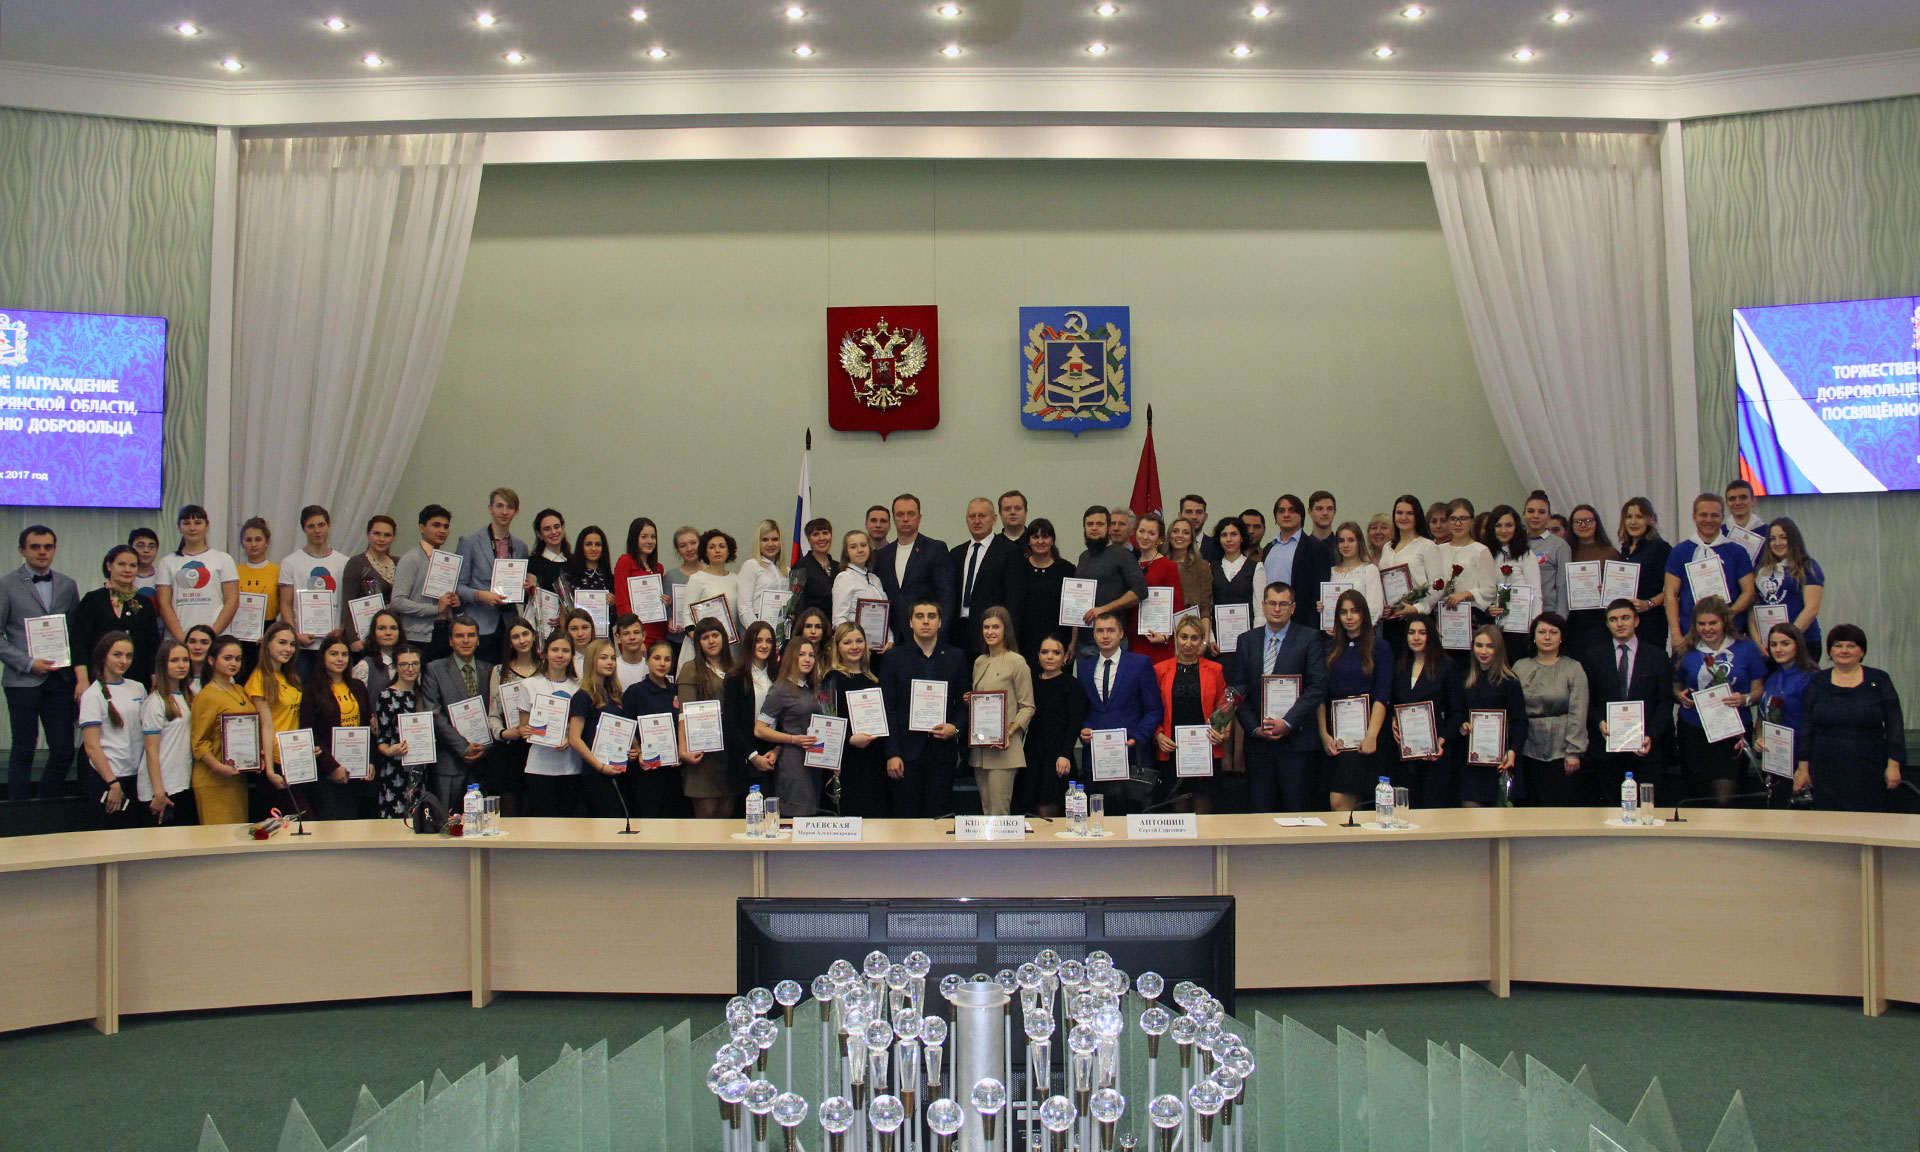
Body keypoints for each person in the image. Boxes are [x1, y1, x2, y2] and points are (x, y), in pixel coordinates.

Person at [1230, 582, 1326, 812]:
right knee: (1260, 813)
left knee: (1296, 811)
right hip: (1259, 746)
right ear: (1263, 606)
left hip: (1296, 743)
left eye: (1283, 604)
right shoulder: (1246, 640)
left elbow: (1317, 687)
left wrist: (1288, 722)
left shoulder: (1309, 638)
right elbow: (1238, 691)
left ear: (1293, 608)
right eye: (1272, 603)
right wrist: (1254, 728)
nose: (1277, 609)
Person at [1797, 625, 1906, 813]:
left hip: (1869, 768)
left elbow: (1895, 725)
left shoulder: (1879, 679)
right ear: (1830, 651)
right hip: (1825, 768)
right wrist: (1802, 769)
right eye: (1838, 645)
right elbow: (1807, 727)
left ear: (1862, 651)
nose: (1844, 651)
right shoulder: (1817, 681)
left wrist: (1894, 765)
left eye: (1851, 646)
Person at [880, 598, 968, 818]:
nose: (926, 621)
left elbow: (965, 703)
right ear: (910, 622)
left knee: (939, 820)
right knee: (906, 822)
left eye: (932, 616)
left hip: (943, 753)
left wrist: (956, 728)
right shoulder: (893, 658)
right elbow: (888, 709)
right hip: (905, 754)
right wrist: (892, 753)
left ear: (940, 622)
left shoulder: (957, 657)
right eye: (919, 616)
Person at [1672, 595, 1765, 805]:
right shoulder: (1685, 649)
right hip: (1694, 731)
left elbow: (1758, 690)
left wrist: (1744, 699)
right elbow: (1675, 688)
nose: (1707, 629)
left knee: (1725, 797)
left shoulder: (1746, 648)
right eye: (1701, 624)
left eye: (1713, 623)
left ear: (1724, 621)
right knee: (1697, 794)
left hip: (1732, 731)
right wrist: (1679, 696)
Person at [1584, 599, 1673, 810]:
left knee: (1646, 810)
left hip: (1645, 749)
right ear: (1607, 624)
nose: (1620, 623)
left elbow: (1665, 701)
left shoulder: (1657, 656)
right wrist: (1599, 723)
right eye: (1613, 619)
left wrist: (1650, 735)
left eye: (1625, 618)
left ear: (1636, 621)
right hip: (1607, 750)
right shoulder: (1594, 657)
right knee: (1610, 811)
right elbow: (1587, 700)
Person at [1077, 611, 1161, 814]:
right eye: (1100, 631)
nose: (1105, 635)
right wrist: (1084, 729)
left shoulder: (1140, 664)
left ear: (1121, 633)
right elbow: (1082, 709)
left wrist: (1137, 737)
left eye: (1111, 630)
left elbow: (1154, 708)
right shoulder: (1084, 668)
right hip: (1097, 757)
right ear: (1094, 635)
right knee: (1098, 818)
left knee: (1129, 817)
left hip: (1131, 754)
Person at [1318, 590, 1393, 812]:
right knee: (1339, 803)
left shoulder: (1380, 648)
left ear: (1364, 614)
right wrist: (1323, 734)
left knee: (1340, 800)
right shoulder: (1328, 648)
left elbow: (1382, 696)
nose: (1349, 617)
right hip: (1335, 736)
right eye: (1343, 612)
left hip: (1366, 734)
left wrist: (1371, 735)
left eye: (1354, 611)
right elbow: (1319, 695)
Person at [1151, 615, 1229, 813]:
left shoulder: (1215, 669)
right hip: (1173, 749)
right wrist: (1158, 735)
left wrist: (1222, 731)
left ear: (1202, 640)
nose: (1188, 643)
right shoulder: (1160, 670)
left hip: (1205, 749)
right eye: (1184, 637)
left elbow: (1223, 706)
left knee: (1204, 813)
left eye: (1194, 638)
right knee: (1180, 814)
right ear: (1176, 637)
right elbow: (1151, 708)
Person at [1664, 492, 1756, 656]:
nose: (1708, 520)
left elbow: (1749, 592)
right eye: (1703, 515)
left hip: (1730, 633)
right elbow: (1670, 593)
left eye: (1714, 515)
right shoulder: (1680, 551)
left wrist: (1726, 615)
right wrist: (1676, 633)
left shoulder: (1737, 552)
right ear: (1694, 517)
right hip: (1689, 634)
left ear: (1722, 517)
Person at [1513, 612, 1590, 806]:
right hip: (1527, 748)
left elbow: (1578, 712)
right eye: (1542, 632)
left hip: (1561, 751)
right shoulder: (1520, 667)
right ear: (1533, 636)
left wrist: (1574, 751)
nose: (1547, 637)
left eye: (1553, 632)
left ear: (1561, 636)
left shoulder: (1573, 668)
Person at [966, 607, 1034, 816]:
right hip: (981, 750)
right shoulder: (980, 662)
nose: (990, 632)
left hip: (1004, 749)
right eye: (986, 627)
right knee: (987, 812)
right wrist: (971, 700)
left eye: (996, 627)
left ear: (1006, 630)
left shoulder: (1017, 662)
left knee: (999, 814)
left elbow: (1028, 706)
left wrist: (1009, 733)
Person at [420, 615, 494, 810]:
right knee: (445, 821)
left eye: (471, 635)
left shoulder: (490, 670)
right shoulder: (434, 669)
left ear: (478, 640)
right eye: (459, 636)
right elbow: (433, 713)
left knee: (481, 821)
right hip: (449, 762)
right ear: (450, 641)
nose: (466, 640)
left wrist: (485, 746)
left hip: (483, 762)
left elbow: (495, 713)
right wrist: (463, 746)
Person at [299, 632, 374, 820]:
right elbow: (309, 733)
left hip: (356, 772)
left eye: (344, 654)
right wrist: (332, 766)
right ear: (323, 657)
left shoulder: (358, 687)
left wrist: (370, 761)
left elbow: (367, 727)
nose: (340, 659)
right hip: (328, 775)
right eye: (334, 654)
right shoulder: (312, 690)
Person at [1390, 617, 1460, 808]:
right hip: (1404, 753)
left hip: (1435, 752)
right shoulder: (1400, 665)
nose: (1416, 638)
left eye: (1422, 633)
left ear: (1431, 636)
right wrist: (1393, 721)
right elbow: (1392, 704)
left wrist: (1442, 740)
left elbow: (1457, 712)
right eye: (1411, 632)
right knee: (1405, 808)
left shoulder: (1447, 666)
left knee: (1431, 808)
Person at [78, 631, 146, 826]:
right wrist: (113, 783)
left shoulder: (137, 688)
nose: (124, 661)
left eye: (129, 656)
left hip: (135, 777)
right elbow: (92, 747)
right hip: (107, 778)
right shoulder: (93, 695)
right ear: (103, 656)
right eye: (117, 655)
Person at [454, 487, 532, 657]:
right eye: (499, 506)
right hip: (479, 624)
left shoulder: (520, 547)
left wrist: (525, 588)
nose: (504, 512)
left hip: (509, 624)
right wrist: (480, 595)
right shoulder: (469, 542)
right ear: (490, 508)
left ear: (516, 511)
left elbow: (522, 593)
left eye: (510, 507)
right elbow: (458, 586)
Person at [72, 545, 160, 694]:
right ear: (109, 566)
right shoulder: (93, 600)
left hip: (138, 680)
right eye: (121, 564)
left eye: (132, 565)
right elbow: (78, 643)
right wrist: (82, 680)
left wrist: (156, 680)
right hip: (98, 680)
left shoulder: (144, 603)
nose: (127, 570)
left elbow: (153, 646)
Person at [1455, 625, 1527, 808]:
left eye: (1489, 646)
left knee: (1500, 817)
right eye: (1479, 645)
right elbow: (1458, 714)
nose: (1483, 651)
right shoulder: (1465, 678)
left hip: (1502, 760)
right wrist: (1462, 726)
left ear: (1498, 649)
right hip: (1474, 762)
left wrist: (1513, 751)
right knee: (1470, 814)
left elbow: (1520, 722)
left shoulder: (1510, 681)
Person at [822, 622, 888, 818]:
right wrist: (849, 739)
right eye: (847, 642)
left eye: (859, 641)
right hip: (847, 760)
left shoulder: (874, 680)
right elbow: (826, 724)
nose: (854, 647)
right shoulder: (831, 678)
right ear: (838, 647)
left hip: (874, 760)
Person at [755, 637, 826, 816]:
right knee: (798, 815)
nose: (807, 659)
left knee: (812, 816)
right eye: (801, 654)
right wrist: (794, 739)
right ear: (791, 657)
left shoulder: (812, 687)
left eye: (811, 655)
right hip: (793, 762)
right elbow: (760, 729)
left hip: (815, 760)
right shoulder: (781, 689)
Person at [876, 494, 955, 650]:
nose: (905, 519)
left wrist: (939, 635)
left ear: (919, 518)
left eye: (911, 514)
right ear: (893, 519)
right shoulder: (882, 555)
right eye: (900, 514)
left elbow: (947, 597)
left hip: (927, 638)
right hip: (891, 641)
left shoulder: (935, 549)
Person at [188, 635, 253, 824]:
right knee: (218, 836)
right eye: (227, 658)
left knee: (238, 834)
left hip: (237, 777)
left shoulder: (239, 689)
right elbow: (199, 742)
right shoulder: (206, 696)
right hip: (213, 779)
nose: (233, 663)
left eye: (238, 659)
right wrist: (217, 767)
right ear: (211, 660)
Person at [278, 504, 349, 678]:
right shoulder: (290, 563)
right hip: (303, 645)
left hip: (334, 644)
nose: (317, 530)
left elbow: (348, 601)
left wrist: (341, 629)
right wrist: (295, 635)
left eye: (321, 525)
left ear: (329, 525)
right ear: (304, 529)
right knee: (302, 689)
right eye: (311, 526)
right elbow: (285, 603)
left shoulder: (344, 562)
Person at [1022, 633, 1087, 818]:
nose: (1050, 657)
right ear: (1038, 656)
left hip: (1058, 754)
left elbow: (1074, 723)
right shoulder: (1031, 683)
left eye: (1056, 652)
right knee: (1030, 806)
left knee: (1050, 807)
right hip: (1033, 752)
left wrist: (1065, 754)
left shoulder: (1071, 684)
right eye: (1045, 652)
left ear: (1065, 656)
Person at [519, 630, 583, 817]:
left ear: (572, 655)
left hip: (571, 766)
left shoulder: (579, 686)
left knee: (569, 824)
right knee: (543, 824)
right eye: (555, 650)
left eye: (565, 650)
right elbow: (523, 727)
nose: (560, 655)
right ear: (545, 653)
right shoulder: (529, 685)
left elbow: (582, 728)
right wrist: (526, 730)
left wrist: (570, 739)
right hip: (539, 766)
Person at [678, 617, 736, 819]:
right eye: (705, 637)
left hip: (729, 754)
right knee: (707, 816)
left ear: (724, 638)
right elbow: (683, 714)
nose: (711, 641)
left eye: (715, 635)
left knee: (727, 815)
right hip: (703, 756)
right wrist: (683, 749)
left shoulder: (734, 668)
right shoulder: (691, 668)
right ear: (698, 643)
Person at [571, 637, 635, 820]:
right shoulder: (583, 696)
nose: (610, 662)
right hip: (595, 773)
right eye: (603, 657)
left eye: (613, 658)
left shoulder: (613, 694)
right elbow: (574, 739)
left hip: (617, 769)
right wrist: (600, 767)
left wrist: (630, 752)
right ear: (592, 660)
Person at [154, 505, 239, 641]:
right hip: (178, 640)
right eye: (186, 523)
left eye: (198, 523)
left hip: (215, 639)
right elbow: (164, 604)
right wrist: (183, 640)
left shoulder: (224, 559)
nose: (192, 528)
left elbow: (232, 601)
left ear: (207, 526)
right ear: (179, 527)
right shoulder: (167, 562)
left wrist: (209, 637)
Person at [244, 621, 302, 820]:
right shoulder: (260, 678)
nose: (288, 649)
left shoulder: (289, 676)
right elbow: (266, 726)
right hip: (275, 760)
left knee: (297, 822)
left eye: (292, 644)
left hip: (294, 757)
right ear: (267, 643)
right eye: (282, 643)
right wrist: (269, 771)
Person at [484, 616, 542, 816]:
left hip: (540, 747)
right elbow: (493, 714)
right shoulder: (499, 671)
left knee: (535, 806)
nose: (522, 640)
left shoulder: (546, 668)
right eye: (515, 637)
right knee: (512, 808)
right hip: (511, 749)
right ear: (509, 642)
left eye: (525, 634)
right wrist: (503, 733)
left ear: (533, 636)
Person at [1072, 506, 1147, 658]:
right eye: (1090, 524)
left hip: (1113, 641)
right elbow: (1076, 601)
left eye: (1099, 524)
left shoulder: (1122, 554)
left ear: (1108, 528)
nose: (1094, 528)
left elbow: (1140, 591)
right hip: (1084, 643)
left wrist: (1103, 609)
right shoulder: (1083, 557)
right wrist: (1073, 642)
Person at [621, 638, 684, 818]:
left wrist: (681, 751)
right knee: (649, 818)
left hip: (673, 768)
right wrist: (639, 751)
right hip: (647, 769)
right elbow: (628, 725)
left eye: (667, 659)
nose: (662, 663)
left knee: (673, 819)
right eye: (657, 658)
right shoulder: (635, 691)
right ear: (647, 660)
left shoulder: (676, 690)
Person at [139, 638, 199, 826]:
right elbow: (151, 750)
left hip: (182, 783)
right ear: (162, 665)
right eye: (174, 660)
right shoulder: (155, 702)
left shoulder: (189, 697)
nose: (181, 665)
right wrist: (158, 792)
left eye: (185, 660)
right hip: (161, 788)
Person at [391, 503, 461, 661]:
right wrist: (435, 608)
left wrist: (454, 601)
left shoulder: (447, 560)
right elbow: (397, 602)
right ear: (422, 528)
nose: (442, 530)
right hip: (418, 637)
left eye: (446, 526)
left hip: (445, 632)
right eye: (436, 525)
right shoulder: (411, 559)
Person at [1757, 622, 1816, 806]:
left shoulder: (1810, 677)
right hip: (1776, 758)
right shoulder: (1773, 677)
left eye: (1785, 643)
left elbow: (1814, 723)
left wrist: (1804, 766)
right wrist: (1759, 738)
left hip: (1801, 759)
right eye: (1773, 644)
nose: (1778, 649)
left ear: (1798, 645)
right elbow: (1762, 715)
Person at [1004, 518, 1075, 667]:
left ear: (1052, 540)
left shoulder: (1067, 569)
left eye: (1045, 536)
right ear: (1028, 541)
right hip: (1025, 641)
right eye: (1035, 537)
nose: (1040, 541)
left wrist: (1073, 643)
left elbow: (1074, 611)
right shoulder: (1018, 568)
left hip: (1059, 640)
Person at [950, 497, 1015, 657]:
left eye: (982, 516)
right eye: (972, 516)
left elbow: (1013, 598)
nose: (977, 521)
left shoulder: (1009, 552)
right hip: (957, 634)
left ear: (994, 519)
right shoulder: (956, 553)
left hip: (991, 633)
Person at [724, 620, 778, 806]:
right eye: (758, 640)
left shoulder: (778, 675)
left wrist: (776, 750)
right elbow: (730, 724)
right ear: (749, 643)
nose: (764, 645)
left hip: (773, 753)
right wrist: (753, 756)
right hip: (747, 756)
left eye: (769, 641)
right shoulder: (736, 677)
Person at [1751, 516, 1824, 653]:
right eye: (1772, 539)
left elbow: (1812, 609)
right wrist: (1758, 642)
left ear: (1793, 539)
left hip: (1803, 641)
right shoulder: (1761, 570)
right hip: (1770, 645)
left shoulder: (1807, 566)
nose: (1777, 543)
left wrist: (1787, 639)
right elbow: (1753, 609)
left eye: (1783, 537)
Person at [1562, 503, 1619, 669]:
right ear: (1571, 525)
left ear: (1596, 523)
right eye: (1578, 521)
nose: (1583, 525)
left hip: (1599, 619)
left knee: (1599, 665)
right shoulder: (1565, 551)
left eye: (1588, 520)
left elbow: (1620, 587)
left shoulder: (1610, 552)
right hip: (1572, 619)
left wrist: (1608, 588)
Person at [1379, 494, 1440, 647]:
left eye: (1409, 513)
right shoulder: (1387, 547)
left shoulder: (1427, 546)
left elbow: (1438, 585)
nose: (1403, 517)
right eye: (1399, 513)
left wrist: (1416, 608)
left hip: (1418, 619)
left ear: (1417, 516)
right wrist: (1384, 606)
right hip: (1391, 620)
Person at [1482, 504, 1541, 663]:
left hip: (1520, 627)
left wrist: (1535, 628)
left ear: (1516, 527)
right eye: (1498, 525)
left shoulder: (1526, 555)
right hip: (1492, 626)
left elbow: (1536, 593)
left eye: (1509, 525)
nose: (1504, 530)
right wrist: (1487, 607)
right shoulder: (1485, 553)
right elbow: (1481, 589)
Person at [372, 645, 425, 818]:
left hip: (421, 770)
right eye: (404, 664)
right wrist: (389, 751)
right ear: (395, 666)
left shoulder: (424, 695)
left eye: (415, 664)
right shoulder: (386, 696)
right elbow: (382, 739)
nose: (410, 669)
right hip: (395, 769)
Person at [1614, 497, 1672, 652]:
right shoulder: (1626, 548)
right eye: (1629, 517)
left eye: (1639, 517)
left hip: (1651, 622)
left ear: (1650, 520)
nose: (1633, 522)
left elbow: (1673, 589)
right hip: (1627, 622)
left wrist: (1649, 603)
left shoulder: (1660, 548)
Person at [1129, 513, 1185, 666]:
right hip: (1132, 638)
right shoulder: (1130, 564)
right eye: (1142, 531)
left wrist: (1166, 636)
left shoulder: (1168, 566)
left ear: (1160, 538)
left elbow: (1178, 607)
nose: (1145, 537)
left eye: (1151, 533)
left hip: (1158, 641)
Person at [1261, 494, 1333, 613]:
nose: (1286, 515)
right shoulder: (1268, 549)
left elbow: (1319, 591)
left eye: (1292, 510)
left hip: (1301, 617)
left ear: (1301, 516)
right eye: (1281, 511)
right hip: (1270, 616)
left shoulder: (1316, 548)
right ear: (1276, 517)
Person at [681, 529, 742, 665]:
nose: (717, 550)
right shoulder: (697, 579)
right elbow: (686, 616)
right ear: (705, 552)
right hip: (702, 648)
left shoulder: (737, 580)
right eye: (712, 547)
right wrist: (702, 643)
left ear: (729, 551)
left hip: (730, 648)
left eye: (722, 546)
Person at [613, 517, 671, 647]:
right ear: (634, 538)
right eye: (644, 537)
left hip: (659, 633)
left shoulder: (658, 568)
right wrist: (635, 635)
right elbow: (622, 603)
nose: (650, 541)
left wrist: (665, 602)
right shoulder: (625, 562)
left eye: (653, 537)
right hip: (635, 634)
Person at [831, 530, 892, 653]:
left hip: (880, 649)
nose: (860, 550)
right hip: (855, 650)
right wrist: (856, 642)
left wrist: (890, 639)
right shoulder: (845, 578)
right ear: (847, 552)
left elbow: (884, 616)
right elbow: (838, 620)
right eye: (853, 547)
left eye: (863, 545)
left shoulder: (875, 579)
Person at [340, 514, 399, 636]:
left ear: (393, 537)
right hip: (365, 633)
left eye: (387, 535)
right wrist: (353, 639)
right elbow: (348, 604)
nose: (381, 539)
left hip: (393, 632)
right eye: (376, 533)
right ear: (368, 534)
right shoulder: (356, 563)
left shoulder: (399, 563)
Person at [233, 517, 279, 673]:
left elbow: (284, 604)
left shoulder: (277, 572)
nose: (253, 544)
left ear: (267, 542)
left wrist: (271, 634)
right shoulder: (234, 571)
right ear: (242, 543)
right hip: (239, 633)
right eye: (248, 540)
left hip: (267, 632)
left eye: (258, 539)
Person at [1207, 516, 1259, 650]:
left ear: (1242, 538)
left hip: (1248, 640)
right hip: (1218, 643)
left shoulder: (1256, 567)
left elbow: (1259, 610)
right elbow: (1208, 607)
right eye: (1224, 535)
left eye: (1234, 534)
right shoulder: (1210, 568)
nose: (1229, 539)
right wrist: (1211, 639)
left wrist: (1255, 640)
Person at [1323, 522, 1384, 626]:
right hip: (1336, 632)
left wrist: (1356, 628)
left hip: (1363, 631)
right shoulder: (1330, 572)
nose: (1345, 545)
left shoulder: (1369, 570)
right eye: (1341, 541)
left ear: (1359, 542)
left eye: (1351, 540)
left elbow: (1375, 609)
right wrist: (1323, 609)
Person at [1522, 491, 1571, 617]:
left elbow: (1563, 585)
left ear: (1549, 517)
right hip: (1520, 610)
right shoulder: (1516, 543)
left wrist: (1560, 618)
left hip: (1548, 612)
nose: (1535, 516)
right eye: (1531, 511)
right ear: (1524, 514)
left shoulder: (1559, 545)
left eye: (1542, 512)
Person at [1164, 518, 1213, 643]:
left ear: (1191, 539)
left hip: (1192, 634)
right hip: (1163, 631)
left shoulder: (1201, 566)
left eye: (1186, 532)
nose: (1180, 535)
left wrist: (1205, 640)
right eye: (1175, 531)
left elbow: (1205, 606)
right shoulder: (1159, 564)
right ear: (1169, 536)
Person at [737, 519, 789, 629]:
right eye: (765, 540)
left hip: (781, 629)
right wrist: (758, 632)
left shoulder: (786, 571)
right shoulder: (751, 566)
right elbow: (744, 608)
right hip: (756, 626)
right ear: (758, 542)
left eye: (775, 539)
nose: (770, 544)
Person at [351, 608, 406, 698]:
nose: (388, 633)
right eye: (382, 628)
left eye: (393, 628)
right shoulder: (365, 666)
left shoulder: (410, 662)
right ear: (374, 633)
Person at [793, 517, 841, 618]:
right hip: (811, 624)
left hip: (836, 624)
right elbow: (796, 604)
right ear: (809, 539)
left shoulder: (839, 567)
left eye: (825, 533)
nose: (822, 538)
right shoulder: (800, 567)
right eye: (816, 534)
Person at [561, 524, 615, 610]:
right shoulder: (570, 576)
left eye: (598, 544)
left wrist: (614, 602)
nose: (593, 549)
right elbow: (564, 608)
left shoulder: (610, 579)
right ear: (581, 547)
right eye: (588, 544)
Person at [665, 525, 701, 639]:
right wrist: (670, 620)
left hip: (708, 639)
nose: (689, 549)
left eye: (693, 543)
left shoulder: (710, 573)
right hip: (678, 640)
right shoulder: (670, 576)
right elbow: (666, 610)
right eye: (683, 546)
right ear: (678, 550)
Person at [527, 509, 570, 593]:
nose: (553, 532)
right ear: (539, 534)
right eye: (547, 529)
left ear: (562, 528)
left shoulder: (575, 562)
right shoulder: (532, 564)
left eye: (557, 527)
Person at [1178, 495, 1221, 563]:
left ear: (1206, 516)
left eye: (1199, 512)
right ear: (1180, 516)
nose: (1194, 517)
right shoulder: (1167, 548)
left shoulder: (1218, 546)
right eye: (1189, 512)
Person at [129, 526, 161, 602]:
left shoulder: (163, 575)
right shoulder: (125, 576)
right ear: (130, 548)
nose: (146, 550)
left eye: (151, 546)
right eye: (140, 546)